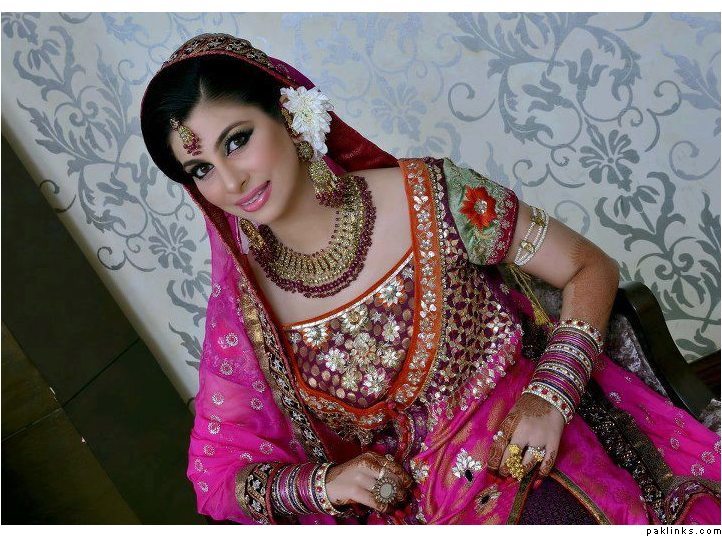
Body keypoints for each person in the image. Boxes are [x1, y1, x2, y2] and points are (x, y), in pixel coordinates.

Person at [140, 33, 720, 525]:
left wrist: (550, 397)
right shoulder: (248, 310)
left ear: (288, 114)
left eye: (237, 140)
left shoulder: (435, 196)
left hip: (525, 458)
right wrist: (325, 484)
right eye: (201, 168)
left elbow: (589, 267)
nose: (231, 181)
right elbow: (220, 473)